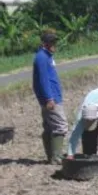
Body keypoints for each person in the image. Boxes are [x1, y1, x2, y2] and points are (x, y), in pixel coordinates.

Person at [32, 31, 69, 165]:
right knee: (61, 125)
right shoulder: (41, 58)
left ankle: (51, 156)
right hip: (51, 98)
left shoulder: (47, 56)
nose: (55, 45)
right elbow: (43, 80)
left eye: (55, 42)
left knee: (49, 126)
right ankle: (56, 157)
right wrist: (49, 98)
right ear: (45, 44)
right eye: (52, 43)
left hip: (52, 96)